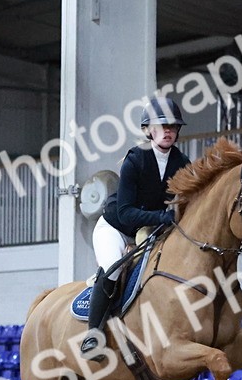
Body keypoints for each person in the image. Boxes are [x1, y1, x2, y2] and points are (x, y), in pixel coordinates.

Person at [80, 96, 192, 361]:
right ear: (147, 130)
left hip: (151, 229)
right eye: (161, 126)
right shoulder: (135, 160)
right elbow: (126, 213)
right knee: (114, 266)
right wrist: (164, 217)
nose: (168, 131)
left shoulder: (182, 162)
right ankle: (92, 336)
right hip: (116, 228)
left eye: (173, 127)